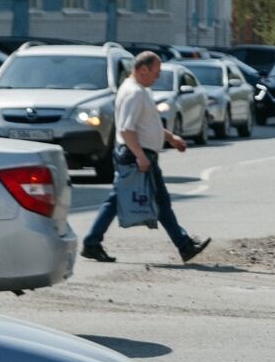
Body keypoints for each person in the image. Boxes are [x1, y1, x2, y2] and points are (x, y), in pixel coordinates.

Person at [80, 51, 210, 265]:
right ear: (143, 69)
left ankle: (184, 245)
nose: (157, 77)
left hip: (138, 154)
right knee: (131, 201)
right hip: (135, 155)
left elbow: (147, 124)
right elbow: (127, 129)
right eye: (156, 72)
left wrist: (171, 138)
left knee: (152, 201)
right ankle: (184, 245)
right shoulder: (135, 93)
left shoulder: (138, 90)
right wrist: (140, 156)